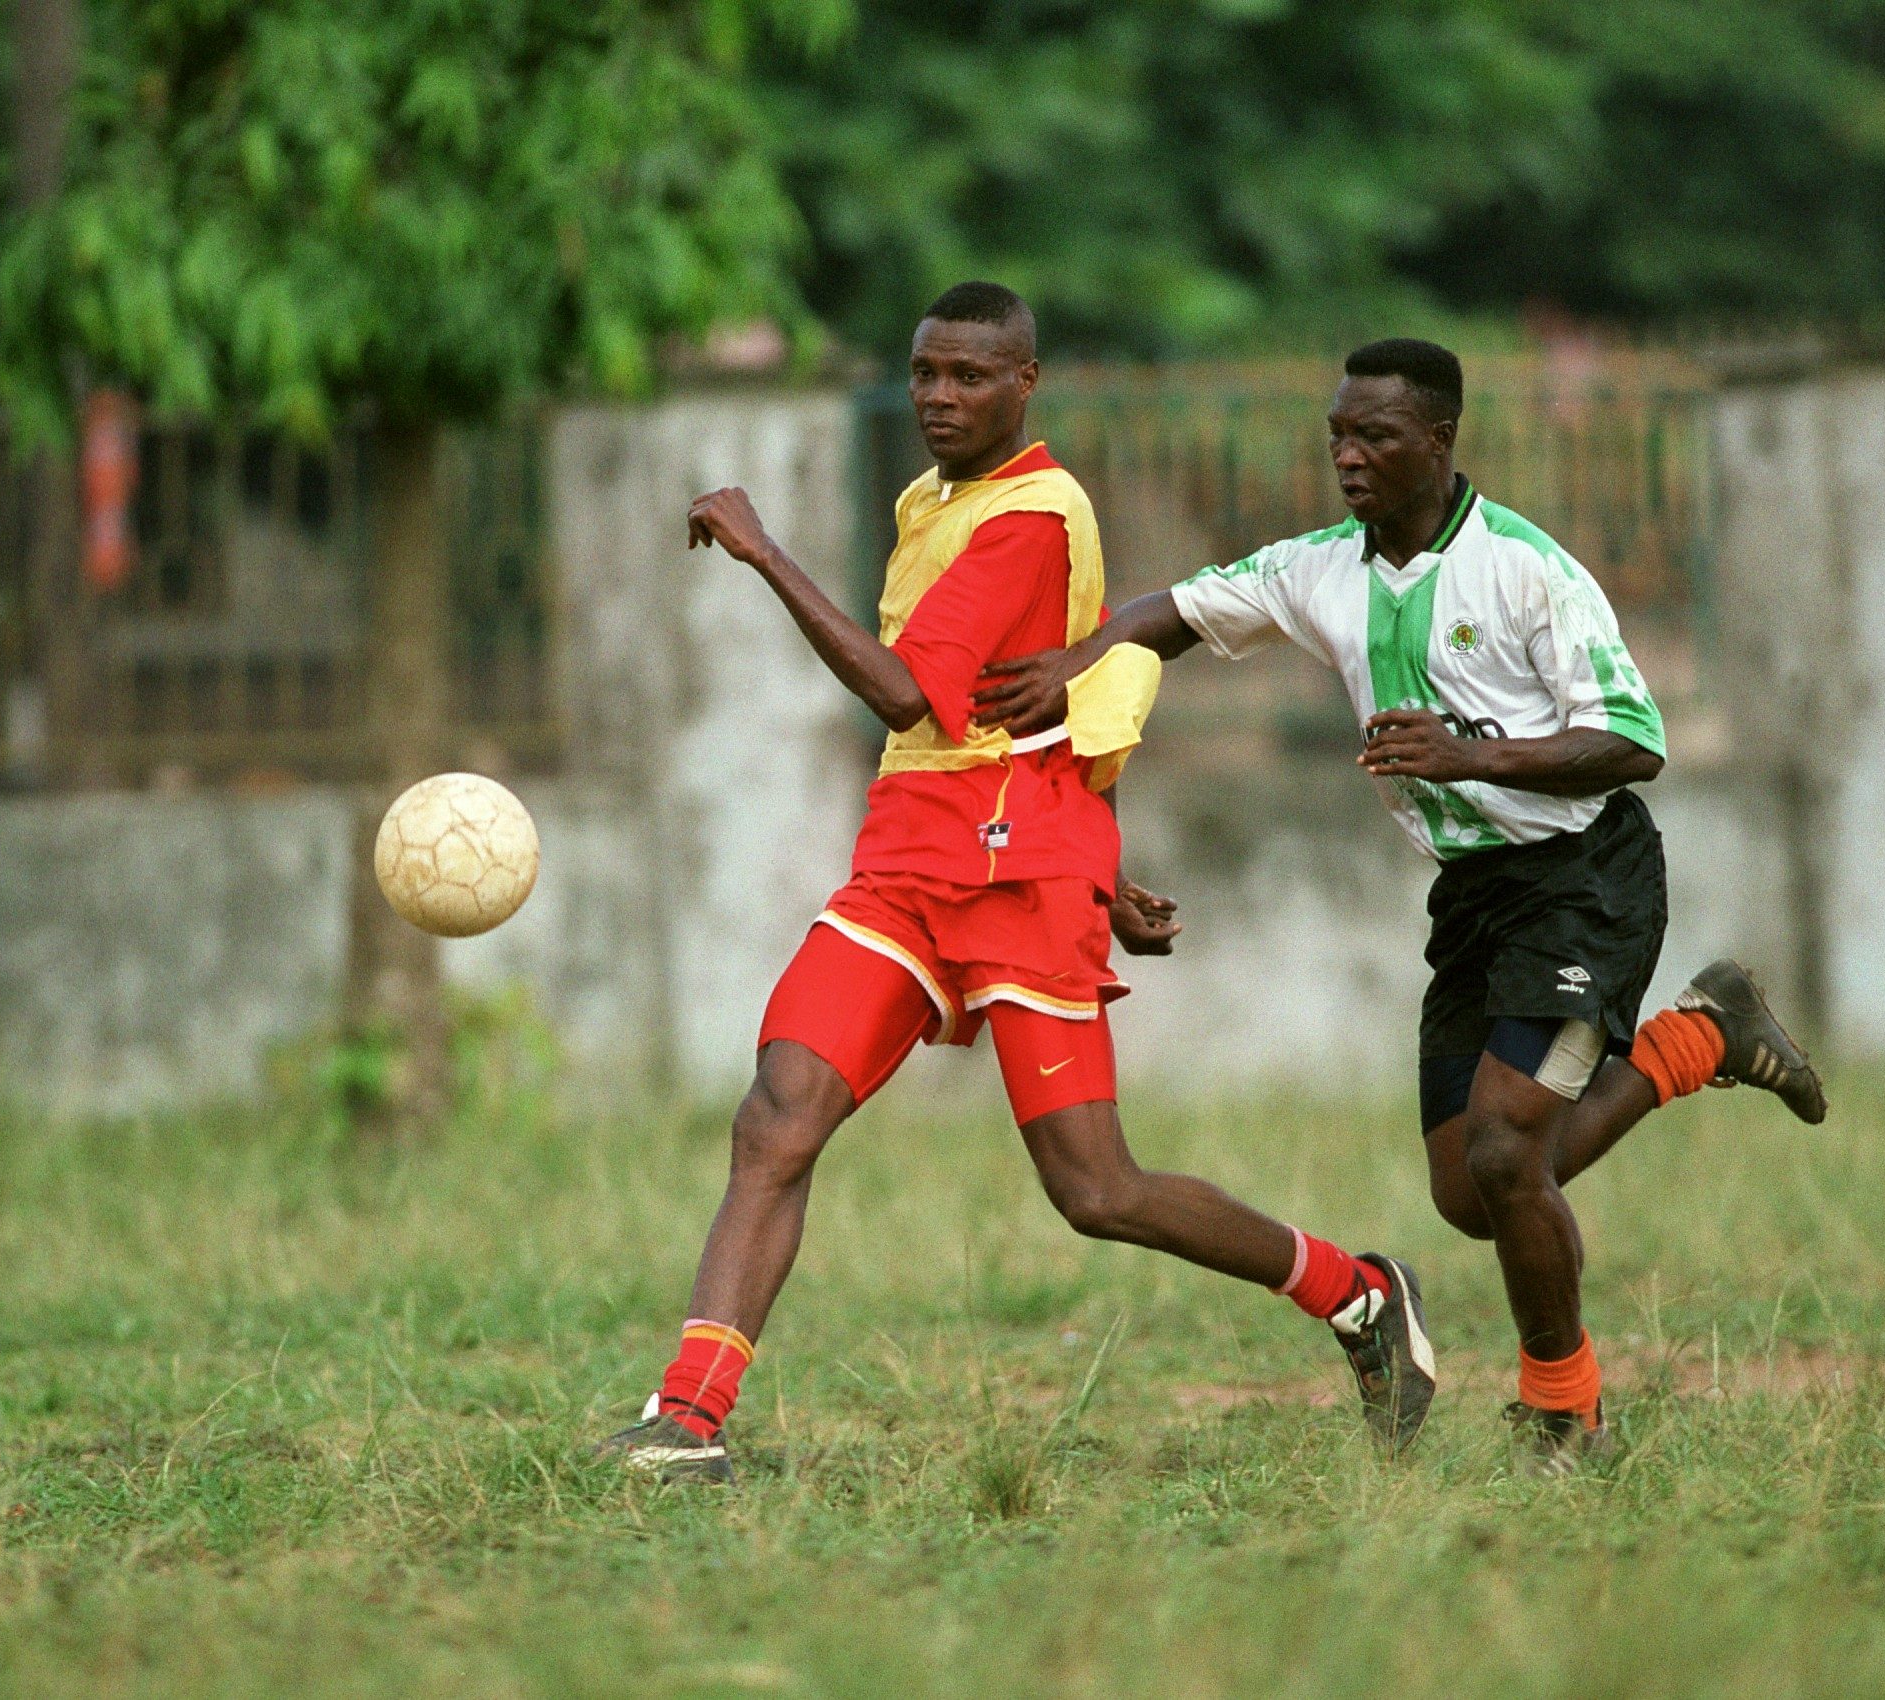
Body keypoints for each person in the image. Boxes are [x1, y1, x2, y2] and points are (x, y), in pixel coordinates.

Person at [595, 284, 1435, 1483]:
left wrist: (764, 549)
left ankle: (1355, 1293)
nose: (941, 396)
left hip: (1014, 877)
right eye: (927, 372)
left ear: (1025, 383)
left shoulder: (1034, 516)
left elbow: (903, 695)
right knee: (775, 1115)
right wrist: (1108, 842)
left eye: (971, 376)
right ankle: (688, 1418)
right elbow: (1051, 699)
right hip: (905, 860)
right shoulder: (930, 499)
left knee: (1096, 1188)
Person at [975, 337, 1826, 1475]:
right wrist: (1076, 658)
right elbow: (1175, 608)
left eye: (1375, 435)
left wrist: (1468, 753)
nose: (1349, 456)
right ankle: (1700, 1037)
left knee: (1507, 1152)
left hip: (1582, 880)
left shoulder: (1528, 569)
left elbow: (1632, 741)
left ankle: (1564, 1415)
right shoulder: (1322, 565)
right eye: (1336, 434)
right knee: (1472, 1192)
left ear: (1440, 439)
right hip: (1472, 897)